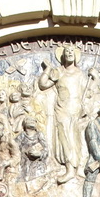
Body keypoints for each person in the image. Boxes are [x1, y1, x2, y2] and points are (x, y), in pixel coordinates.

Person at [38, 44, 92, 184]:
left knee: (79, 139)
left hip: (77, 110)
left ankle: (80, 167)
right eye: (66, 52)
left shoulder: (81, 74)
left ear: (75, 56)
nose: (69, 53)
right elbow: (43, 85)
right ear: (62, 56)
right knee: (65, 139)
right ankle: (69, 169)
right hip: (62, 110)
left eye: (71, 52)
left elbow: (90, 91)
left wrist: (95, 78)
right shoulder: (59, 72)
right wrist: (48, 69)